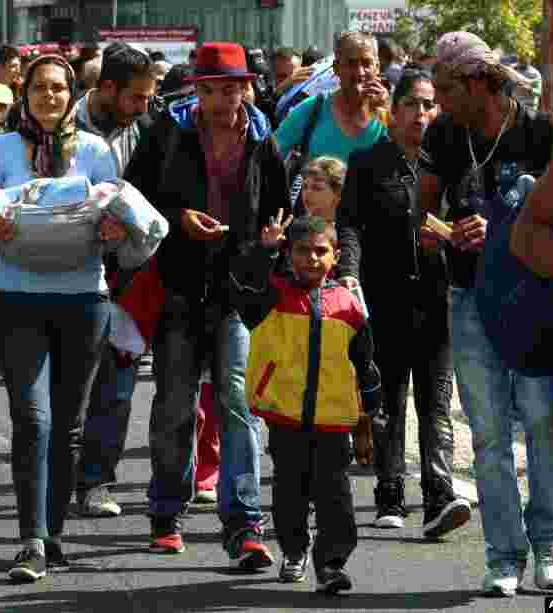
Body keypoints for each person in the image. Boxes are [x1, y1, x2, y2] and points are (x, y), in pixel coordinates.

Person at [123, 41, 286, 565]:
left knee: (237, 405)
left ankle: (244, 525)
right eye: (212, 89)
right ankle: (167, 514)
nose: (223, 99)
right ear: (197, 89)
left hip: (236, 292)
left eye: (232, 88)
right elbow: (132, 199)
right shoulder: (167, 132)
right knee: (175, 403)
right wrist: (179, 218)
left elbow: (280, 204)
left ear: (247, 87)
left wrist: (270, 240)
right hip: (178, 287)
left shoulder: (263, 137)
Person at [418, 31, 553, 596]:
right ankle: (504, 555)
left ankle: (551, 540)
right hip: (470, 298)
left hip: (535, 302)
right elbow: (421, 221)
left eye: (448, 86)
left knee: (544, 425)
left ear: (479, 81)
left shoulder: (544, 131)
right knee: (487, 435)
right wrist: (448, 233)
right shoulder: (445, 133)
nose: (439, 96)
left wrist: (510, 227)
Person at [0, 54, 121, 582]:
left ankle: (54, 535)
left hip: (84, 299)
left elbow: (118, 219)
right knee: (32, 420)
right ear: (25, 92)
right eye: (39, 87)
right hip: (19, 299)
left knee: (68, 426)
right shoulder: (1, 149)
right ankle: (31, 540)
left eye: (59, 88)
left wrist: (115, 231)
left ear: (70, 95)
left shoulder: (95, 150)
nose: (49, 96)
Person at [337, 69, 471, 536]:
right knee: (390, 402)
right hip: (385, 300)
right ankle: (389, 493)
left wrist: (459, 236)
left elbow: (471, 219)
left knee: (435, 403)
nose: (422, 113)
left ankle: (439, 495)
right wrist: (349, 274)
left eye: (429, 105)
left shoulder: (453, 165)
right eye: (412, 104)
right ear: (392, 112)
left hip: (439, 301)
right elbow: (349, 223)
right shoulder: (367, 162)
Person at [231, 215, 383, 593]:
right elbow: (243, 295)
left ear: (335, 257)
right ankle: (294, 549)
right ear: (288, 253)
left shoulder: (348, 305)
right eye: (302, 250)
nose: (311, 258)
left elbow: (365, 363)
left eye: (321, 251)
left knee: (335, 495)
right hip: (286, 416)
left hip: (334, 418)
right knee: (290, 492)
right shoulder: (273, 295)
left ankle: (331, 564)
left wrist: (370, 412)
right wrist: (264, 252)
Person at [72, 41, 157, 517]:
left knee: (118, 382)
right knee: (68, 386)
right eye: (136, 98)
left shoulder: (145, 129)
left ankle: (97, 481)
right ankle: (54, 480)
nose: (145, 107)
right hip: (67, 270)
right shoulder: (59, 125)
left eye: (149, 98)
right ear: (106, 88)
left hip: (128, 274)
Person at [276, 31, 389, 167]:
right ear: (336, 68)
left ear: (377, 67)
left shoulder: (387, 115)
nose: (359, 72)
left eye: (366, 63)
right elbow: (269, 156)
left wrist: (388, 111)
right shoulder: (313, 109)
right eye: (351, 63)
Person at [300, 156, 344, 222]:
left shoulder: (348, 230)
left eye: (317, 188)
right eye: (305, 186)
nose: (307, 193)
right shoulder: (298, 227)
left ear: (338, 193)